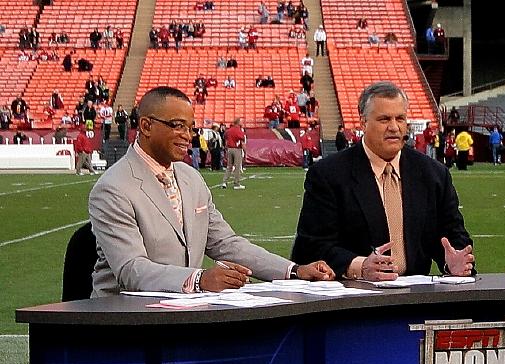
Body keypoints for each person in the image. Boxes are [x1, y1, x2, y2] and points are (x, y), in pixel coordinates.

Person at [88, 87, 333, 298]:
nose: (187, 136)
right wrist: (199, 280)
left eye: (190, 127)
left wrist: (294, 271)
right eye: (178, 126)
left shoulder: (190, 177)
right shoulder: (113, 188)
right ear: (146, 126)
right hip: (125, 323)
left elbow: (225, 243)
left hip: (180, 314)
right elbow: (131, 270)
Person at [291, 81, 473, 282]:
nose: (394, 127)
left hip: (416, 298)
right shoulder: (329, 174)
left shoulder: (434, 174)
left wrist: (454, 262)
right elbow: (309, 247)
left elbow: (454, 236)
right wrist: (358, 265)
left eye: (400, 118)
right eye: (384, 119)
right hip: (353, 299)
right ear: (363, 122)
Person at [221, 117, 246, 189]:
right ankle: (237, 183)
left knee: (229, 166)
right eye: (241, 121)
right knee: (237, 167)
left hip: (229, 149)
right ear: (238, 122)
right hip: (236, 149)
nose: (242, 123)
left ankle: (224, 182)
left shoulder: (229, 130)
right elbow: (242, 139)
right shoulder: (238, 130)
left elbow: (225, 137)